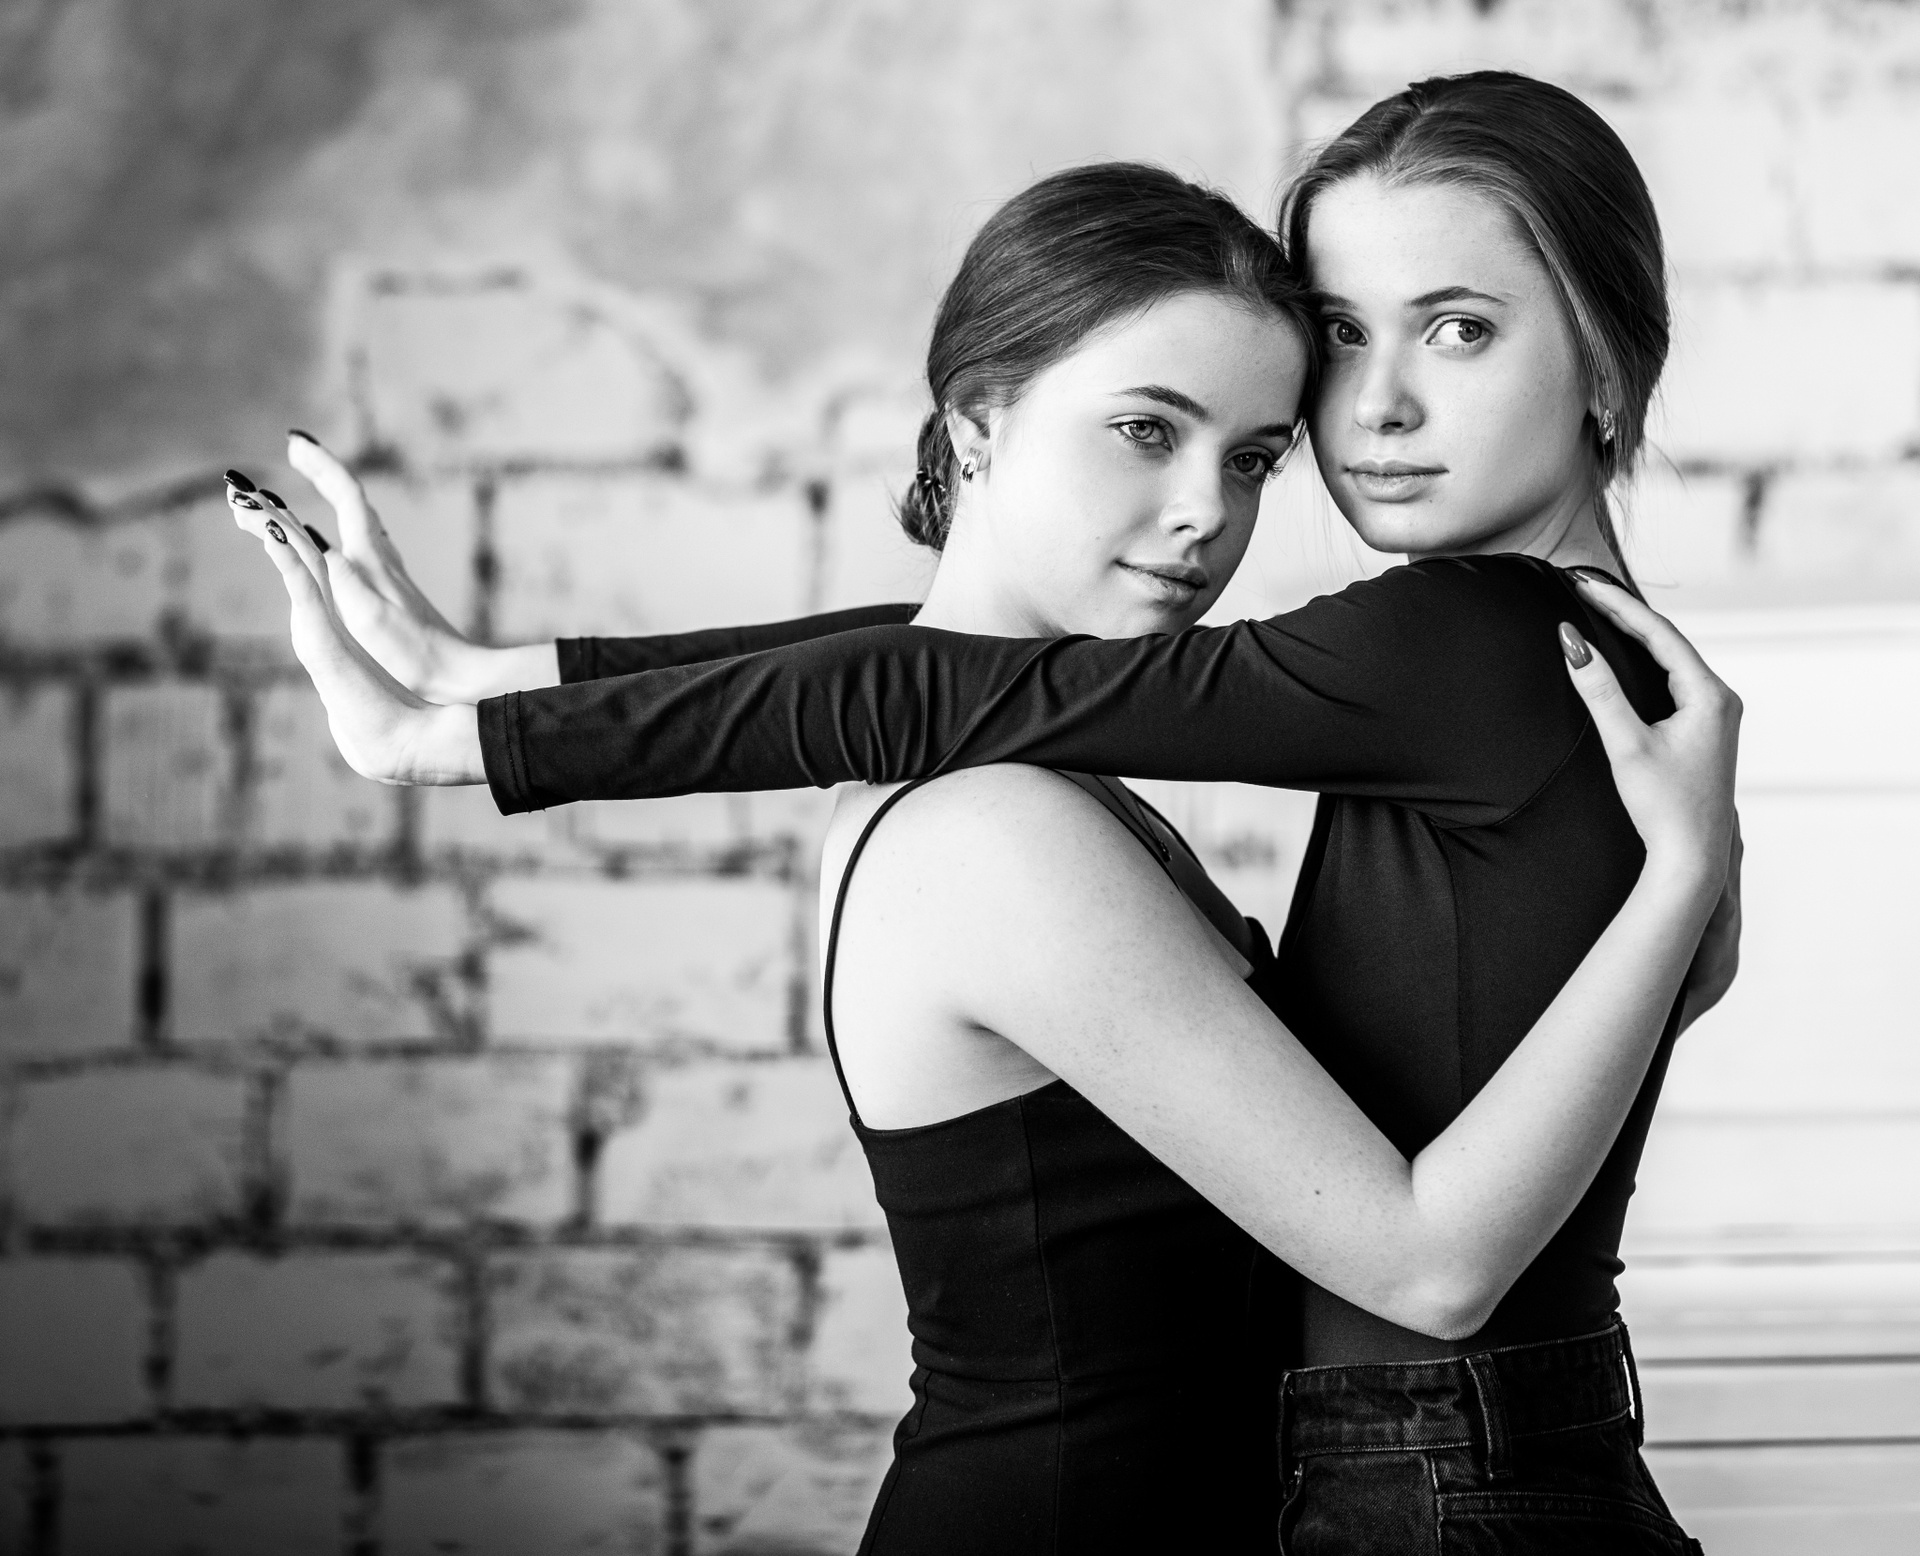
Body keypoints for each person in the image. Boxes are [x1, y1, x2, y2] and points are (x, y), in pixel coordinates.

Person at [232, 95, 1735, 1555]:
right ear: (977, 425)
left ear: (1606, 360)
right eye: (1346, 334)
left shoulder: (1468, 637)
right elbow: (949, 675)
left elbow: (941, 683)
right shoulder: (1590, 663)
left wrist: (472, 726)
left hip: (1445, 1467)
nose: (1377, 408)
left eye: (1458, 329)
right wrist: (494, 690)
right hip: (1439, 1459)